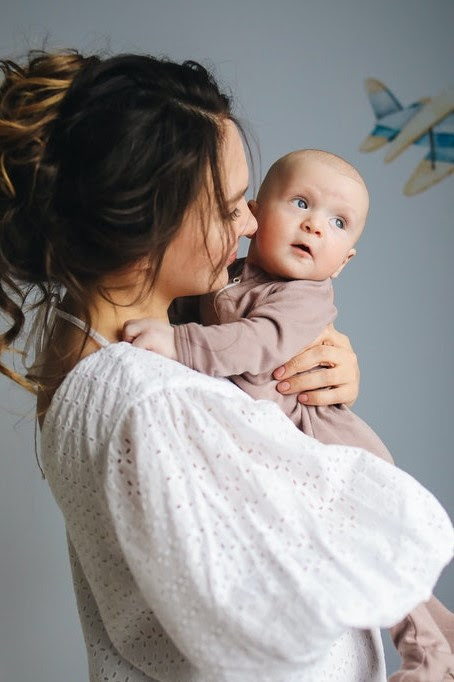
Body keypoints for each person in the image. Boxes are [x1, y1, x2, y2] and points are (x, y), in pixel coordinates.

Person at [0, 51, 453, 682]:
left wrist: (314, 374)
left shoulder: (92, 360)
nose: (249, 226)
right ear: (153, 220)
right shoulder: (157, 400)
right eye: (233, 203)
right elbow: (267, 643)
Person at [124, 148, 454, 680]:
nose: (314, 226)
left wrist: (178, 342)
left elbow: (255, 342)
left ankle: (432, 660)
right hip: (292, 449)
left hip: (330, 445)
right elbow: (182, 315)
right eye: (300, 202)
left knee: (382, 564)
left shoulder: (306, 297)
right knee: (373, 565)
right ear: (253, 217)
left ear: (345, 260)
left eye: (337, 222)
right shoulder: (223, 276)